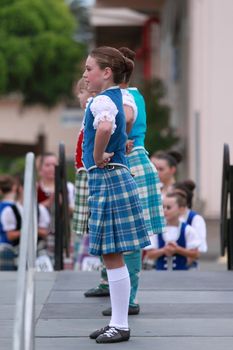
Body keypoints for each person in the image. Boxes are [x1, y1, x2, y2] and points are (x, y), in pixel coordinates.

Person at [82, 46, 151, 343]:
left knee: (112, 255)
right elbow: (127, 122)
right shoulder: (119, 97)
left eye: (89, 69)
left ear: (106, 72)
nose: (85, 75)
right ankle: (117, 321)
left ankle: (120, 324)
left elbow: (107, 126)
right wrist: (122, 143)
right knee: (112, 255)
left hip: (108, 178)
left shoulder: (101, 102)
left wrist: (98, 155)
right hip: (113, 178)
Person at [97, 47, 165, 317]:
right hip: (133, 160)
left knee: (130, 238)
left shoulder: (126, 96)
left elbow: (124, 117)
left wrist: (116, 139)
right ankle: (123, 296)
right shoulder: (129, 94)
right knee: (124, 237)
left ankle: (129, 299)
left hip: (130, 160)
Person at [72, 78, 100, 271]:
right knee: (86, 222)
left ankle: (85, 257)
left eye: (80, 93)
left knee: (86, 221)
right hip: (85, 169)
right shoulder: (89, 112)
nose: (79, 98)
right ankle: (85, 257)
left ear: (90, 93)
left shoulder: (93, 106)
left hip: (89, 171)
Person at [36, 152, 75, 267]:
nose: (52, 168)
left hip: (64, 235)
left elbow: (75, 211)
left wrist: (63, 204)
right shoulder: (36, 187)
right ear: (40, 168)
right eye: (47, 165)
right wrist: (48, 203)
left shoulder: (68, 187)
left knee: (65, 268)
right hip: (41, 237)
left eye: (54, 165)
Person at [145, 192, 200, 270]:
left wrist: (177, 249)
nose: (165, 210)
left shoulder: (188, 230)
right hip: (160, 277)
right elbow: (150, 254)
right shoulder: (157, 230)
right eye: (163, 207)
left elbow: (196, 254)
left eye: (168, 207)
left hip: (182, 276)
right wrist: (164, 250)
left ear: (181, 209)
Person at [172, 180, 207, 269]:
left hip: (188, 270)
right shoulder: (166, 218)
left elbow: (198, 250)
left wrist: (177, 250)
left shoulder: (195, 219)